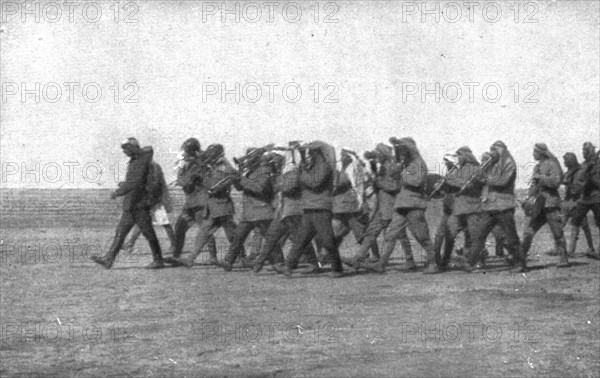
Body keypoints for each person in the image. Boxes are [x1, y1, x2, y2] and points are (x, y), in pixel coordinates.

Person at [361, 137, 437, 274]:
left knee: (421, 235)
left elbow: (417, 182)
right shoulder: (405, 165)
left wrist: (401, 176)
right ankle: (381, 264)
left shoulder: (418, 163)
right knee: (391, 234)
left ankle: (434, 263)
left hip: (414, 205)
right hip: (401, 205)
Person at [90, 138, 164, 269]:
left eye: (126, 148)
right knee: (120, 232)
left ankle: (158, 260)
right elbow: (133, 182)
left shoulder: (141, 162)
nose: (124, 151)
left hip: (139, 205)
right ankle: (109, 259)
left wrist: (118, 192)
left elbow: (135, 182)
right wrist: (124, 187)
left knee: (148, 233)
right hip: (131, 205)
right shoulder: (136, 161)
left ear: (133, 148)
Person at [278, 141, 344, 278]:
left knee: (327, 240)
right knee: (300, 239)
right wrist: (302, 169)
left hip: (320, 208)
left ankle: (337, 268)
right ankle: (288, 267)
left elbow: (315, 183)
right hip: (309, 208)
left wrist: (301, 173)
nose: (307, 155)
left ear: (316, 153)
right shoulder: (312, 166)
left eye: (310, 152)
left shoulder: (323, 166)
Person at [176, 144, 246, 268]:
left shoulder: (224, 166)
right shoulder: (212, 166)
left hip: (223, 206)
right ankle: (190, 258)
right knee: (203, 233)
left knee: (232, 235)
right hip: (213, 206)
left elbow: (219, 183)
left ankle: (242, 258)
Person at [252, 149, 319, 273]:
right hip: (284, 211)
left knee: (300, 238)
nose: (274, 160)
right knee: (271, 236)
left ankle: (312, 263)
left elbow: (290, 187)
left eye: (276, 157)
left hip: (294, 211)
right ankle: (259, 262)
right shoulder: (282, 171)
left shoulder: (292, 170)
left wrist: (276, 183)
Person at [222, 148, 279, 271]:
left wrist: (241, 179)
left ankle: (279, 263)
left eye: (249, 158)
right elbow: (240, 188)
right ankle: (228, 261)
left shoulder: (264, 171)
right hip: (249, 212)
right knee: (238, 236)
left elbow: (259, 188)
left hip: (262, 211)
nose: (246, 161)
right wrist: (235, 179)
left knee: (270, 238)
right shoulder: (249, 172)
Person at [468, 140, 521, 271]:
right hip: (490, 206)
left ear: (501, 150)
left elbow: (503, 181)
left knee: (511, 237)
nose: (492, 153)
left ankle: (520, 264)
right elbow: (480, 181)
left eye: (494, 150)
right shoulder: (491, 164)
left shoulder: (509, 163)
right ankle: (474, 263)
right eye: (491, 150)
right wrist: (482, 169)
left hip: (504, 206)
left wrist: (486, 178)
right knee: (479, 234)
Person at [518, 143, 569, 271]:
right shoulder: (537, 167)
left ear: (541, 152)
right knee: (528, 232)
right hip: (538, 206)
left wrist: (541, 177)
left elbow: (557, 182)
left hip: (550, 204)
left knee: (557, 232)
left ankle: (564, 258)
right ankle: (521, 261)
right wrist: (528, 198)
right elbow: (534, 186)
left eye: (535, 151)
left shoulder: (552, 164)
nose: (533, 154)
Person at [167, 138, 217, 265]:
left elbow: (186, 181)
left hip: (200, 202)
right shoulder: (193, 162)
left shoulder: (197, 164)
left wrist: (181, 176)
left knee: (205, 229)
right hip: (191, 202)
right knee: (180, 227)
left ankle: (213, 257)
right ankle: (176, 255)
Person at [122, 146, 176, 256]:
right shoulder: (149, 165)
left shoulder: (154, 166)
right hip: (150, 199)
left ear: (149, 154)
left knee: (164, 223)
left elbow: (155, 185)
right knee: (142, 222)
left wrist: (151, 199)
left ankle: (175, 245)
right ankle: (130, 244)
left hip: (156, 200)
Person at [438, 146, 485, 272]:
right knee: (449, 234)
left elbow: (465, 184)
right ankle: (444, 261)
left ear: (466, 155)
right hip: (459, 208)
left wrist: (451, 180)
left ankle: (476, 262)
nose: (458, 158)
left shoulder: (476, 169)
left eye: (459, 155)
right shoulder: (459, 169)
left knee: (475, 237)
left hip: (472, 207)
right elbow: (456, 185)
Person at [570, 142, 600, 260]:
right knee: (575, 222)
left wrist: (590, 179)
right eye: (582, 151)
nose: (583, 154)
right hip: (584, 198)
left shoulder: (598, 165)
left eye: (585, 151)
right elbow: (579, 181)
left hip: (597, 198)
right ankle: (571, 250)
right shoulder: (583, 165)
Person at [562, 152, 595, 256]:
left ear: (570, 161)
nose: (564, 163)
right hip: (568, 201)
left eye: (566, 160)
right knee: (560, 225)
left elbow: (580, 188)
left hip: (577, 202)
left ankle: (584, 248)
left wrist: (568, 184)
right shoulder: (569, 172)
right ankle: (559, 249)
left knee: (581, 226)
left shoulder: (581, 172)